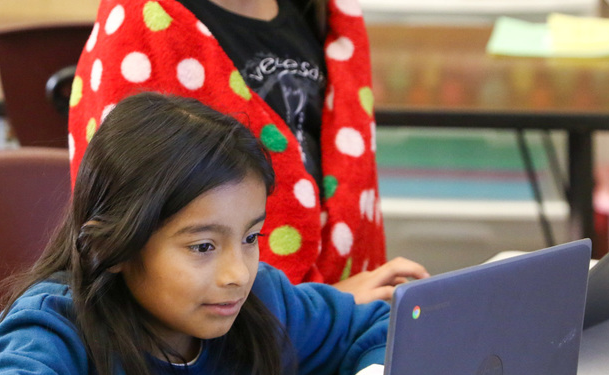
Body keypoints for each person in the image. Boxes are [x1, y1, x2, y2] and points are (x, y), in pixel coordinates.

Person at [0, 93, 390, 375]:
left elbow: (377, 326)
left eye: (250, 238)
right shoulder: (55, 322)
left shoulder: (259, 300)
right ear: (110, 247)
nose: (237, 273)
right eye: (203, 246)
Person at [67, 0, 429, 303]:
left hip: (331, 329)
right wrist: (330, 305)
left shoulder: (322, 16)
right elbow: (141, 251)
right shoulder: (142, 23)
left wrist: (343, 319)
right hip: (233, 343)